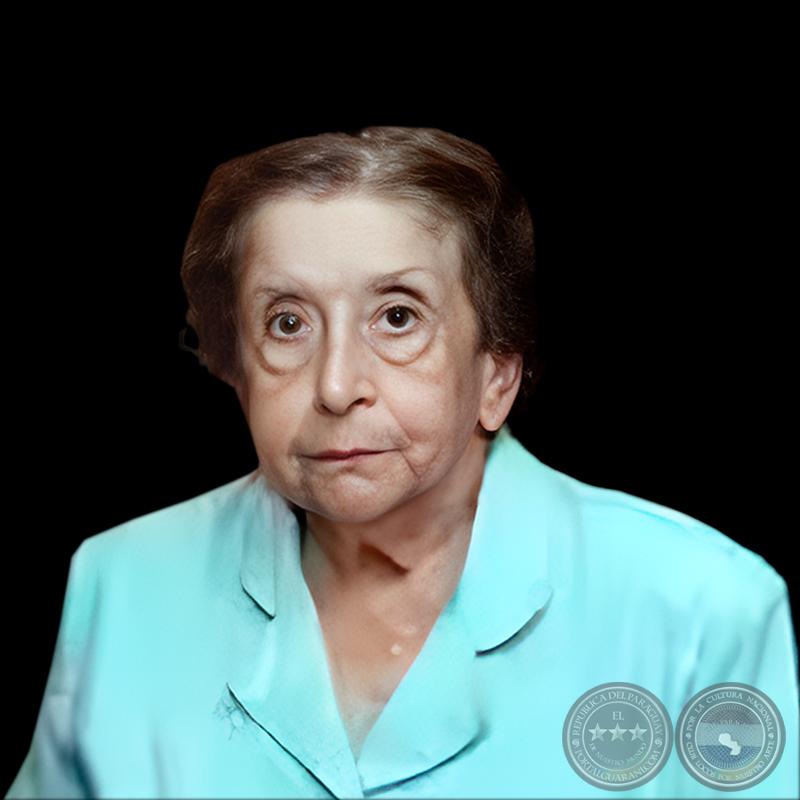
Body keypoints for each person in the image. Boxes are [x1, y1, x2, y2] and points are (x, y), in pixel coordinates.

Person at [5, 126, 797, 799]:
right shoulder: (122, 581)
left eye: (396, 317)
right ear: (234, 368)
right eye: (287, 323)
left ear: (496, 375)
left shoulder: (703, 609)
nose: (336, 385)